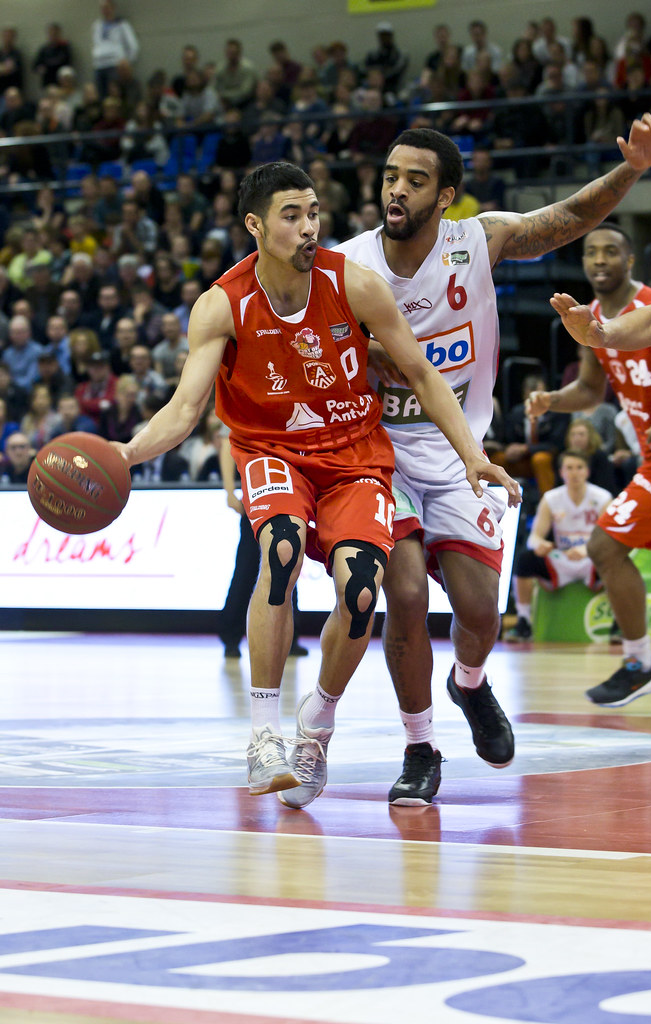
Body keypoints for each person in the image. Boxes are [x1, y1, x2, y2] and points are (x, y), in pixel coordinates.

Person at [111, 160, 519, 810]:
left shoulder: (352, 284)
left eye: (313, 214)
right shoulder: (222, 303)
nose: (308, 228)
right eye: (291, 216)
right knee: (277, 549)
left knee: (361, 588)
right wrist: (127, 451)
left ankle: (315, 728)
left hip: (355, 454)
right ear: (254, 224)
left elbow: (419, 372)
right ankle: (263, 736)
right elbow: (185, 409)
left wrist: (471, 454)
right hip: (271, 450)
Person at [335, 114, 651, 805]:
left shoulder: (477, 242)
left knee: (480, 612)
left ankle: (469, 682)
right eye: (390, 176)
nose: (395, 190)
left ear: (445, 195)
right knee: (402, 597)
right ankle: (418, 746)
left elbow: (573, 214)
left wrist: (634, 168)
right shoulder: (347, 265)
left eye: (414, 180)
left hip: (465, 457)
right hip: (379, 457)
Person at [527, 221, 651, 707]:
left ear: (629, 260)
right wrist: (551, 400)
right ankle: (640, 663)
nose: (599, 260)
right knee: (607, 546)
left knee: (604, 543)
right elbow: (592, 390)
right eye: (591, 251)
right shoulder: (588, 316)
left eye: (610, 251)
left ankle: (639, 663)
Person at [217, 431, 307, 659]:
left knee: (286, 565)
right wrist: (229, 491)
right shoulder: (246, 407)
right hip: (257, 497)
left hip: (287, 498)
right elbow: (228, 447)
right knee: (246, 570)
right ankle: (231, 638)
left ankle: (290, 638)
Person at [505, 450, 612, 640]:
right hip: (562, 557)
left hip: (592, 557)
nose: (574, 473)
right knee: (525, 559)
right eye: (569, 468)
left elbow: (609, 537)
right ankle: (523, 621)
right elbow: (534, 537)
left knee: (618, 561)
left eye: (579, 468)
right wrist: (541, 544)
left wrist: (587, 549)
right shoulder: (551, 498)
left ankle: (618, 624)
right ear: (561, 472)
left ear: (587, 471)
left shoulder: (602, 497)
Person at [91, 0, 139, 100]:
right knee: (101, 97)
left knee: (115, 95)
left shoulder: (122, 24)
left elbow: (133, 46)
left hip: (114, 65)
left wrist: (127, 62)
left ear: (113, 8)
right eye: (102, 8)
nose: (105, 10)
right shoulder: (97, 25)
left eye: (107, 7)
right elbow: (96, 44)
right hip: (99, 65)